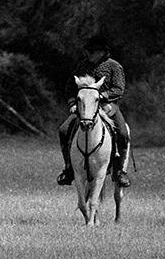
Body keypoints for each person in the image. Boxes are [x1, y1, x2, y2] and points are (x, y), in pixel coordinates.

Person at [56, 34, 131, 187]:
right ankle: (69, 169)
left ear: (103, 52)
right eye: (88, 50)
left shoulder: (114, 66)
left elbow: (118, 89)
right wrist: (72, 101)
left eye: (93, 51)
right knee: (64, 130)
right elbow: (70, 86)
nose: (89, 53)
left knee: (123, 133)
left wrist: (102, 95)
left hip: (108, 106)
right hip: (85, 108)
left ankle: (119, 171)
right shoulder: (82, 66)